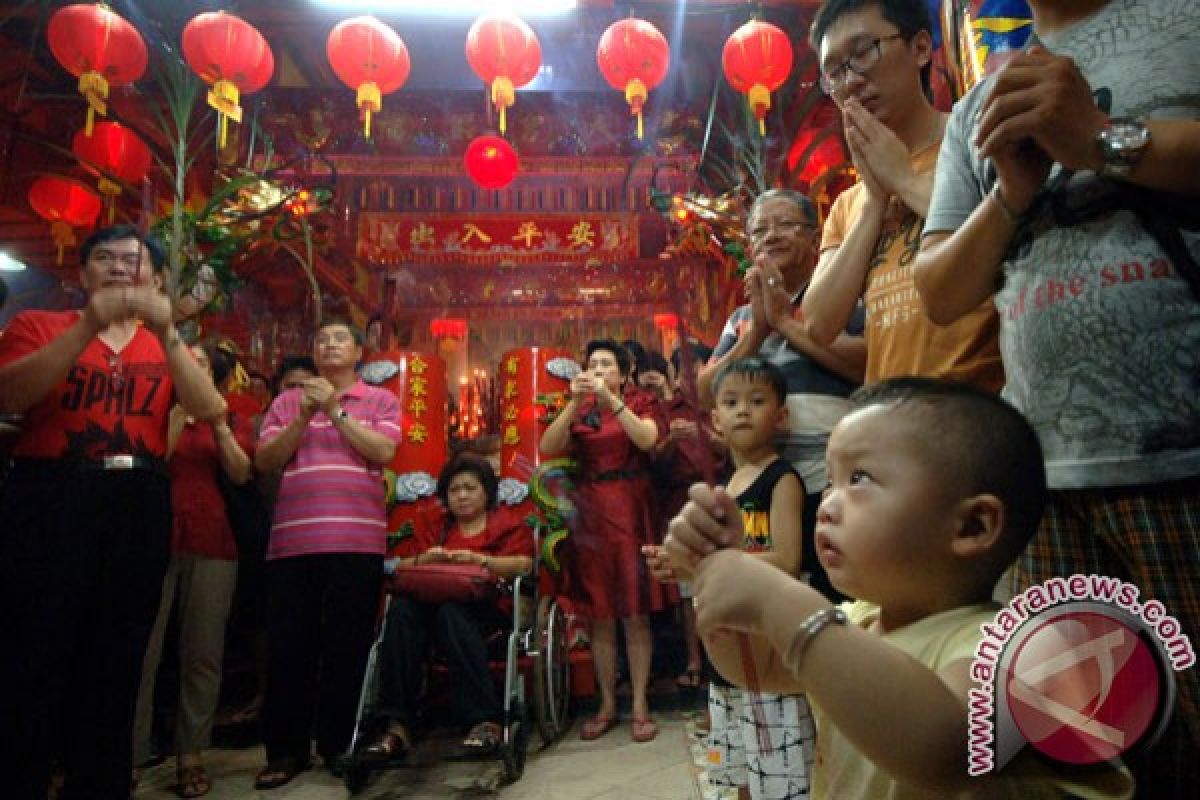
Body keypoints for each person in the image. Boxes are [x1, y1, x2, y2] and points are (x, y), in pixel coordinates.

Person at [913, 2, 1200, 791]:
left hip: (1182, 458)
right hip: (1050, 482)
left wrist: (1102, 143)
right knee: (1077, 759)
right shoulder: (982, 101)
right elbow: (938, 288)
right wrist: (1009, 194)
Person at [667, 378, 1133, 799]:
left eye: (860, 479)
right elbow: (759, 667)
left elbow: (947, 746)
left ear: (971, 525)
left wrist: (777, 602)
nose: (827, 504)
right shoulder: (856, 620)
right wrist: (721, 589)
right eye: (830, 482)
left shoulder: (1018, 649)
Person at [0, 224, 227, 800]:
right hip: (52, 495)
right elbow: (10, 397)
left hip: (140, 500)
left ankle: (98, 783)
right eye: (105, 258)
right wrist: (87, 325)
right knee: (37, 648)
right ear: (82, 275)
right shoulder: (38, 326)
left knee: (120, 653)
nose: (121, 268)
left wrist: (170, 332)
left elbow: (210, 407)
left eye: (133, 260)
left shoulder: (165, 344)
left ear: (154, 277)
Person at [800, 0, 1003, 391]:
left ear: (921, 49)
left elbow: (1007, 238)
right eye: (834, 73)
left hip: (976, 410)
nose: (850, 82)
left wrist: (903, 178)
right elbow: (820, 322)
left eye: (862, 53)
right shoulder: (849, 202)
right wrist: (874, 204)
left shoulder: (977, 140)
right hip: (889, 419)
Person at [652, 357, 814, 800]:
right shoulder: (729, 483)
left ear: (780, 416)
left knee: (782, 777)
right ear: (714, 419)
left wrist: (717, 562)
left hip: (769, 650)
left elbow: (787, 560)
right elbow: (720, 563)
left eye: (757, 401)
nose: (743, 410)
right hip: (728, 660)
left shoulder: (781, 479)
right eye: (731, 402)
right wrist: (685, 564)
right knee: (736, 774)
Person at [253, 319, 403, 789]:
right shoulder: (284, 402)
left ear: (359, 351)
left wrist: (336, 410)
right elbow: (265, 461)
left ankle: (341, 743)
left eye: (340, 338)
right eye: (321, 339)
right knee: (289, 647)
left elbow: (382, 450)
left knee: (348, 644)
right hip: (292, 543)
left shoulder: (380, 400)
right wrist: (303, 413)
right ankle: (285, 751)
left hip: (355, 541)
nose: (329, 345)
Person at [698, 189, 865, 558]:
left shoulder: (845, 301)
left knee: (837, 596)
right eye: (759, 231)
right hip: (761, 485)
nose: (771, 236)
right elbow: (707, 391)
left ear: (815, 238)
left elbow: (867, 363)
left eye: (786, 225)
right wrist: (758, 330)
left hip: (835, 485)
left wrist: (785, 323)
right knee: (766, 577)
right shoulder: (741, 320)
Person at [132, 343, 255, 798]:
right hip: (151, 539)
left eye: (201, 364)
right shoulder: (151, 410)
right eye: (183, 361)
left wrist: (218, 424)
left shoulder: (230, 417)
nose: (191, 368)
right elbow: (151, 458)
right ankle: (130, 754)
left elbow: (242, 473)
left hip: (212, 537)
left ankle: (191, 753)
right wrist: (178, 416)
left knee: (202, 652)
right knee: (142, 651)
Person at [361, 455, 535, 762]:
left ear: (487, 493)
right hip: (431, 610)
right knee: (401, 610)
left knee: (451, 613)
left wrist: (481, 561)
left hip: (489, 612)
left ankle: (484, 719)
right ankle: (396, 724)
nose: (463, 496)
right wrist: (425, 560)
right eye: (454, 490)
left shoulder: (506, 525)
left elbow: (525, 564)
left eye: (470, 488)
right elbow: (404, 567)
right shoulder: (436, 528)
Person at [539, 339, 668, 743]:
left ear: (623, 373)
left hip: (631, 506)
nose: (597, 370)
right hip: (592, 511)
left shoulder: (638, 401)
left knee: (634, 610)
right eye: (591, 363)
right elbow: (548, 447)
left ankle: (641, 705)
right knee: (599, 613)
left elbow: (647, 440)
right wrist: (570, 405)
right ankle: (608, 703)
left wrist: (612, 401)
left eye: (606, 365)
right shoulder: (579, 407)